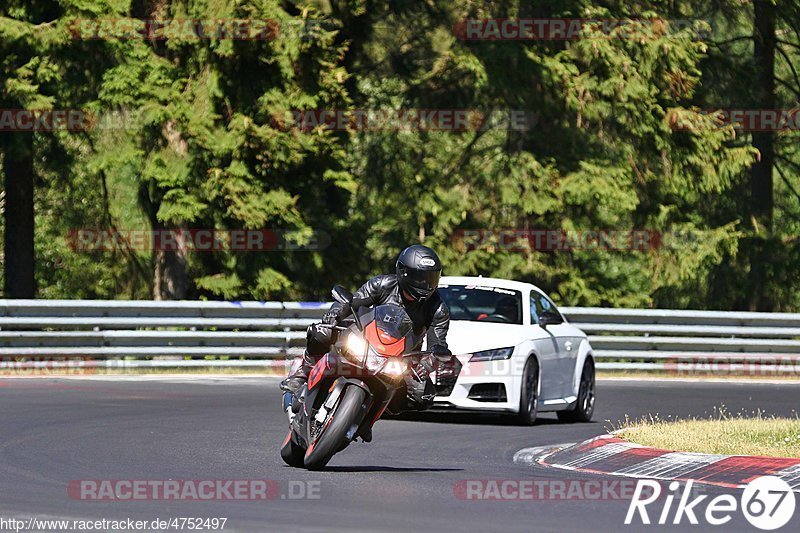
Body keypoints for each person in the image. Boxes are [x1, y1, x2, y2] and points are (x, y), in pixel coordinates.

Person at [280, 244, 455, 415]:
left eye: (431, 278)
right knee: (322, 332)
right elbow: (352, 302)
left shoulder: (438, 309)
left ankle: (370, 410)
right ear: (404, 272)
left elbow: (437, 345)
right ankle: (303, 373)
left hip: (401, 355)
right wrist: (333, 316)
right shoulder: (383, 284)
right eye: (420, 278)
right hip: (364, 337)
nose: (426, 284)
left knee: (422, 395)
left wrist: (427, 365)